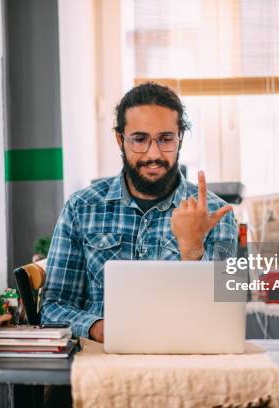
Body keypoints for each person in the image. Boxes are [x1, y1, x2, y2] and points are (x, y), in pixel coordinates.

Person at [40, 82, 238, 342]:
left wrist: (191, 248)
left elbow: (223, 319)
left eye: (166, 139)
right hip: (101, 367)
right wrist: (98, 328)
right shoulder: (81, 208)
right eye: (140, 139)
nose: (153, 154)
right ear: (120, 139)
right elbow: (53, 308)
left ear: (180, 138)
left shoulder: (214, 214)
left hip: (183, 366)